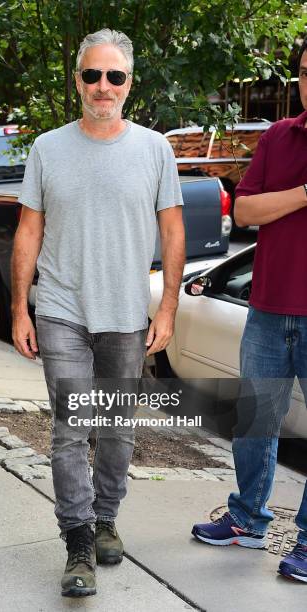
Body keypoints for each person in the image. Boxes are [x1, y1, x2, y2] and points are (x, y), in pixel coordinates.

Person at [12, 29, 185, 597]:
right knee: (70, 430)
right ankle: (79, 541)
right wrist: (20, 307)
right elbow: (29, 230)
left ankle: (107, 516)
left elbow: (172, 230)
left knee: (115, 429)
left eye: (114, 76)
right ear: (78, 81)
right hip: (62, 309)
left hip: (127, 315)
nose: (102, 86)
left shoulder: (155, 149)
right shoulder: (47, 148)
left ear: (129, 84)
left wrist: (168, 307)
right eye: (92, 75)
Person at [192, 40, 307, 583]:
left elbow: (265, 206)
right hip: (267, 310)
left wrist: (282, 199)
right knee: (254, 424)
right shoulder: (281, 137)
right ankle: (247, 520)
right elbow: (245, 208)